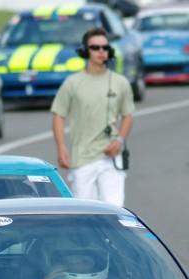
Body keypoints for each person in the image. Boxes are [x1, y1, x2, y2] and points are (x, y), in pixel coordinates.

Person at [51, 27, 134, 206]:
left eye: (105, 48)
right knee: (85, 212)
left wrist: (119, 140)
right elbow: (58, 115)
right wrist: (61, 148)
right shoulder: (72, 83)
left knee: (114, 210)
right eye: (95, 48)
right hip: (82, 157)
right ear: (85, 51)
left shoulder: (121, 83)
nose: (101, 52)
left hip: (111, 157)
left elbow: (128, 115)